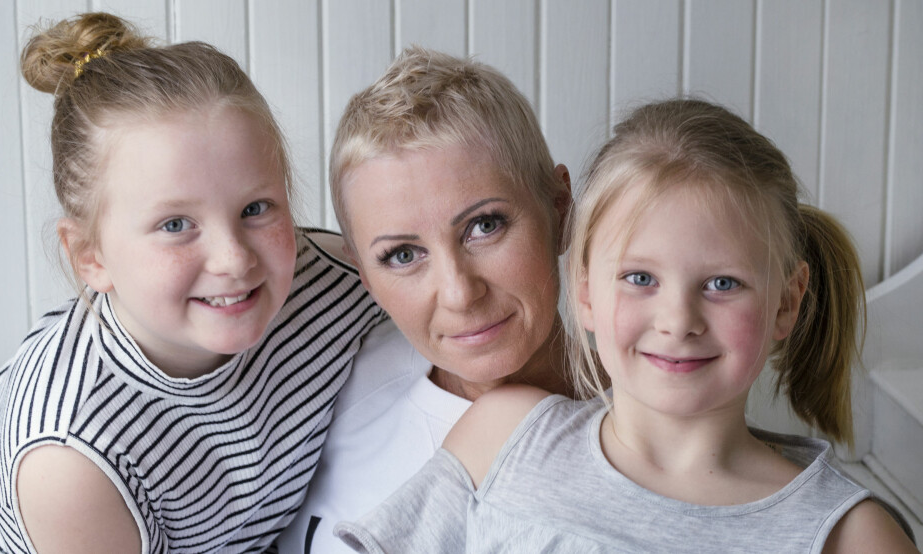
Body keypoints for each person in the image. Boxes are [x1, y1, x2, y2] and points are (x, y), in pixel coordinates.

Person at [334, 99, 918, 552]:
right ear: (585, 290)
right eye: (640, 278)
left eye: (722, 284)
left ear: (786, 304)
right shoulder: (505, 436)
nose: (678, 320)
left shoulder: (847, 536)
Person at [0, 13, 385, 553]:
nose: (233, 258)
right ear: (92, 258)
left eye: (255, 208)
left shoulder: (332, 286)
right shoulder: (72, 458)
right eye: (175, 225)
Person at [276, 46, 575, 552]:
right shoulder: (331, 377)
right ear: (363, 273)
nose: (460, 293)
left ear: (560, 209)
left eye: (485, 226)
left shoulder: (646, 436)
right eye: (401, 255)